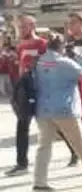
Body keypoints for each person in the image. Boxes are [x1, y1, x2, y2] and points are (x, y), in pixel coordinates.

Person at [32, 35, 82, 192]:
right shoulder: (65, 63)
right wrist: (80, 58)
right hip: (65, 108)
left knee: (44, 145)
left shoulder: (39, 61)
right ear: (62, 46)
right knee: (80, 144)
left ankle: (39, 181)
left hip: (43, 109)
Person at [7, 15, 47, 176]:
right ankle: (21, 162)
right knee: (22, 125)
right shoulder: (21, 45)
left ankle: (75, 152)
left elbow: (46, 64)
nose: (21, 29)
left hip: (39, 89)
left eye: (23, 26)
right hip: (24, 89)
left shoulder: (41, 43)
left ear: (32, 26)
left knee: (52, 125)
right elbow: (20, 65)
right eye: (19, 27)